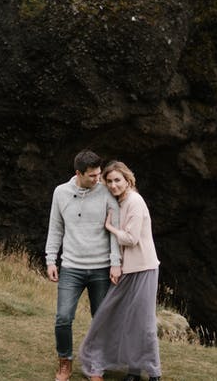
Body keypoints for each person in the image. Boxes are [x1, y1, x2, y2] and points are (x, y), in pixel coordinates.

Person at [78, 160, 161, 381]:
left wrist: (110, 228)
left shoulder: (135, 201)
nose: (114, 185)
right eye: (110, 181)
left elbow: (131, 239)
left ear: (127, 180)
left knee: (143, 323)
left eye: (118, 180)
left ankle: (153, 373)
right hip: (126, 270)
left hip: (144, 268)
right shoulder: (118, 202)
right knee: (117, 319)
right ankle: (133, 370)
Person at [47, 150, 123, 381]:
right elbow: (56, 228)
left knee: (99, 319)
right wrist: (51, 259)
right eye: (92, 176)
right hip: (71, 266)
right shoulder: (60, 192)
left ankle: (95, 366)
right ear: (78, 173)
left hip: (101, 268)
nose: (98, 179)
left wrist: (115, 263)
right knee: (63, 317)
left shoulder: (106, 192)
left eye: (99, 174)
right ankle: (65, 362)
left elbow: (114, 231)